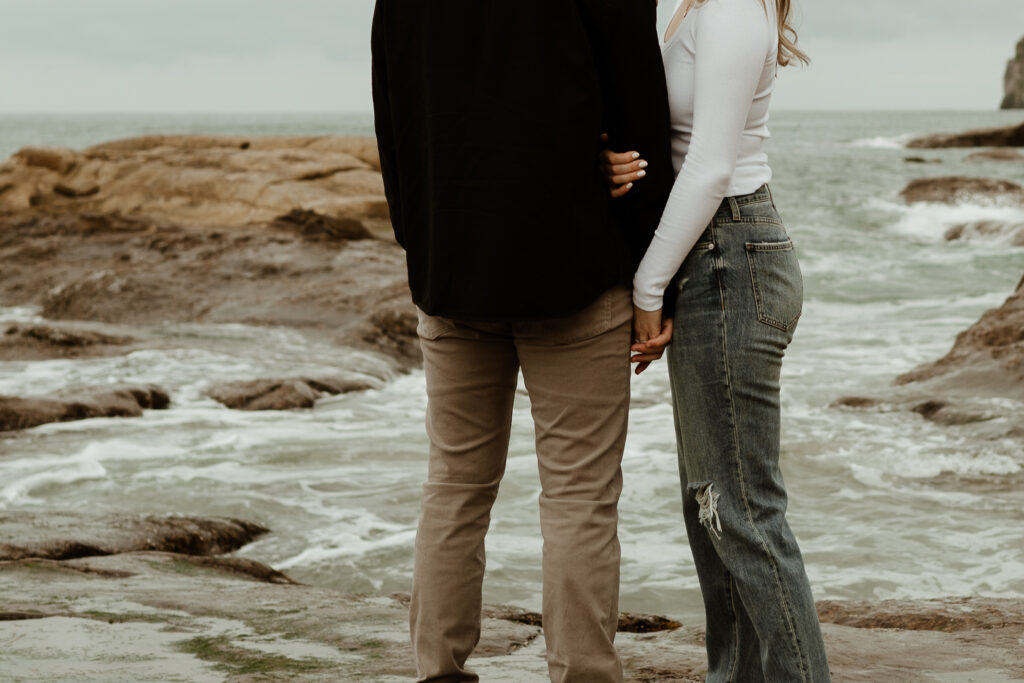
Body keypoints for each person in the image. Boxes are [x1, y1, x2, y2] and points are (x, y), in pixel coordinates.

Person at [370, 2, 674, 681]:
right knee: (579, 497)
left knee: (453, 484)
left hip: (451, 275)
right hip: (573, 274)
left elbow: (395, 134)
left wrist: (426, 246)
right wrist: (659, 285)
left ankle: (437, 672)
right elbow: (643, 128)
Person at [602, 0, 832, 679]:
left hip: (731, 256)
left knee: (741, 511)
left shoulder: (731, 8)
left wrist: (648, 289)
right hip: (715, 257)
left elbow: (708, 167)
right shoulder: (700, 6)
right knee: (712, 508)